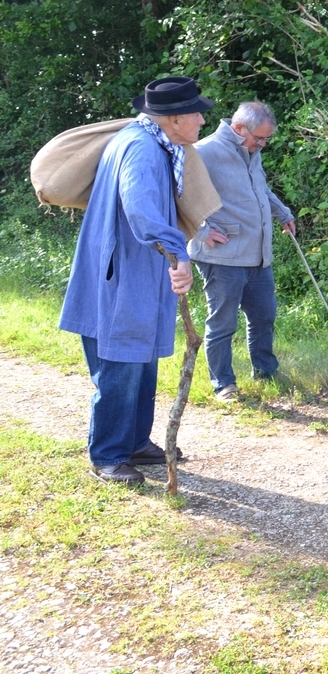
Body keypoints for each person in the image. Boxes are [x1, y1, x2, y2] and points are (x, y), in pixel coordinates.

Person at [59, 77, 212, 484]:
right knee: (121, 363)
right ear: (174, 118)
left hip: (136, 273)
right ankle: (108, 455)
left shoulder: (152, 142)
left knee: (140, 361)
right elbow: (141, 209)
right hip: (120, 277)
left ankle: (135, 443)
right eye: (196, 113)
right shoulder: (141, 150)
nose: (201, 119)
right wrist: (178, 252)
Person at [188, 101, 296, 402]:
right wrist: (201, 231)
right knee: (223, 323)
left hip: (257, 254)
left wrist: (282, 212)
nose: (262, 144)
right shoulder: (203, 151)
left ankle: (265, 371)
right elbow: (178, 195)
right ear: (238, 128)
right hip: (222, 257)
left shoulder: (251, 151)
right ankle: (223, 384)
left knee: (264, 316)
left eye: (266, 139)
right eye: (258, 138)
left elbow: (261, 188)